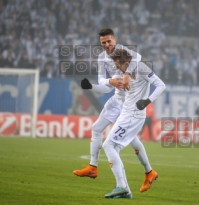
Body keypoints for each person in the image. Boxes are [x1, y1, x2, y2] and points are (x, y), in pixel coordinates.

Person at [73, 29, 151, 192]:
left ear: (115, 39)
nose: (107, 45)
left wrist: (127, 74)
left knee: (131, 140)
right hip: (116, 100)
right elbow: (104, 84)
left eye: (109, 41)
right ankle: (93, 167)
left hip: (129, 103)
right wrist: (99, 84)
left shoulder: (125, 51)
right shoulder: (102, 58)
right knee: (96, 128)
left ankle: (148, 171)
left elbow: (138, 58)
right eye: (103, 43)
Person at [103, 49, 166, 198]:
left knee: (109, 145)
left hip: (133, 115)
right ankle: (149, 173)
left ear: (126, 63)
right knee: (133, 141)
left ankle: (121, 186)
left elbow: (161, 85)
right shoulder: (122, 73)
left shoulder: (142, 68)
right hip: (126, 113)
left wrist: (147, 101)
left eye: (118, 64)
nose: (117, 67)